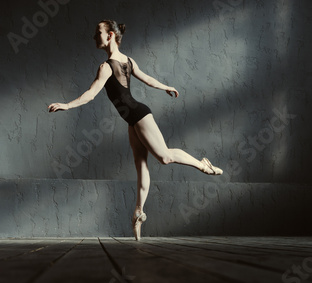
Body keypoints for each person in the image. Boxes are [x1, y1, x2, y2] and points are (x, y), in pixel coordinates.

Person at [48, 20, 223, 240]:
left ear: (110, 35)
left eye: (98, 33)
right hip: (132, 121)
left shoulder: (107, 66)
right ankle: (138, 213)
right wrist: (165, 87)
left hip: (139, 114)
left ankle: (203, 165)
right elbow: (145, 78)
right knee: (142, 168)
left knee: (165, 156)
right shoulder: (126, 61)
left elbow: (92, 94)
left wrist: (67, 105)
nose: (94, 37)